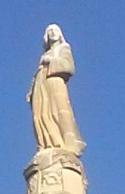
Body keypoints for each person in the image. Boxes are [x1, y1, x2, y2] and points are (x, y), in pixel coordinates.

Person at [26, 24, 84, 154]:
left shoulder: (64, 48)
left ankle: (66, 142)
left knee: (58, 111)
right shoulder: (45, 53)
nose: (52, 33)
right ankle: (45, 144)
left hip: (54, 81)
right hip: (42, 84)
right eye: (49, 31)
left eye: (55, 30)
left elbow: (69, 66)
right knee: (41, 114)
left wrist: (50, 61)